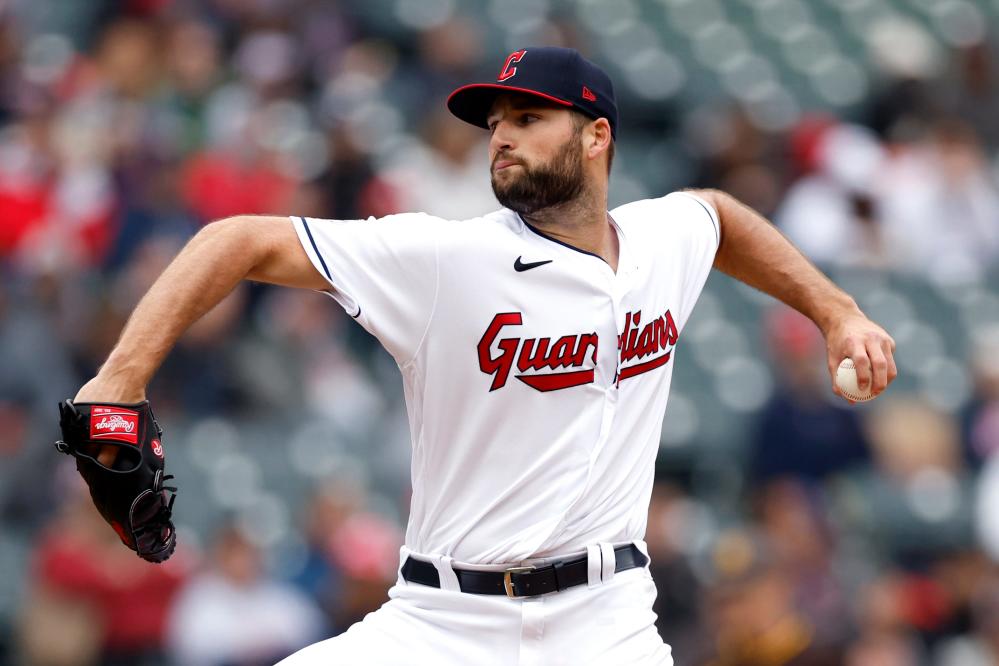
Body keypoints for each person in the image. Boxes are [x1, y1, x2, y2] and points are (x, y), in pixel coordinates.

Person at [72, 47, 897, 665]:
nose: (500, 136)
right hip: (443, 623)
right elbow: (238, 239)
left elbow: (716, 215)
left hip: (606, 624)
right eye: (493, 123)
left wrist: (834, 309)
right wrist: (121, 378)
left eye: (527, 119)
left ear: (597, 136)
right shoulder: (446, 260)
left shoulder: (659, 241)